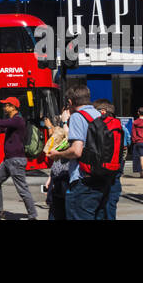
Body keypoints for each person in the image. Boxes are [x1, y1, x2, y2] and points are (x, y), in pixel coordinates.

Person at [47, 83, 108, 221]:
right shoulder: (99, 114)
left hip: (82, 179)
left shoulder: (77, 117)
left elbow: (76, 151)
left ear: (70, 102)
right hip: (102, 177)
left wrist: (58, 155)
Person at [0, 96, 36, 220]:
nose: (4, 107)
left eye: (6, 105)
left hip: (16, 160)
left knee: (22, 189)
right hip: (8, 160)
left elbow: (0, 122)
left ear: (13, 107)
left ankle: (33, 215)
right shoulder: (11, 121)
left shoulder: (18, 120)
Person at [93, 100, 125, 219]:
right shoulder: (120, 127)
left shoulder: (100, 127)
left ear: (103, 111)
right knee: (110, 210)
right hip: (114, 174)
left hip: (101, 174)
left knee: (100, 210)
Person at [43, 112, 70, 220]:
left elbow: (68, 141)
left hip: (66, 176)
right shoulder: (62, 130)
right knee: (54, 209)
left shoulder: (70, 129)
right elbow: (51, 151)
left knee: (61, 210)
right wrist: (50, 177)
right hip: (57, 175)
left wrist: (64, 123)